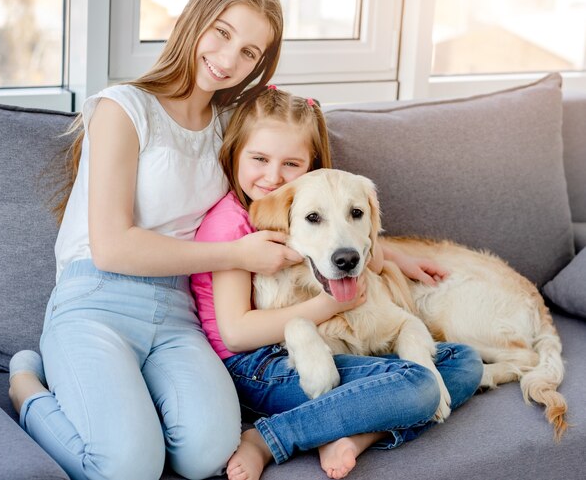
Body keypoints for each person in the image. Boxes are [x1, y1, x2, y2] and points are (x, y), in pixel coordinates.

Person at [7, 0, 303, 480]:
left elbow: (298, 183)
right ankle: (26, 389)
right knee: (125, 468)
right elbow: (113, 248)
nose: (229, 60)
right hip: (95, 300)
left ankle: (131, 408)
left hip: (175, 310)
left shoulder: (230, 130)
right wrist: (237, 254)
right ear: (193, 20)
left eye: (251, 53)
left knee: (209, 453)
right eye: (223, 32)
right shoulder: (124, 108)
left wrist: (388, 253)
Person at [190, 87, 484, 480]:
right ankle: (270, 438)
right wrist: (332, 306)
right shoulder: (232, 226)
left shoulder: (316, 200)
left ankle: (354, 434)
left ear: (310, 164)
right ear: (235, 152)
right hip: (257, 365)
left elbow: (360, 243)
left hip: (315, 351)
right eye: (259, 158)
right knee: (421, 385)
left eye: (290, 163)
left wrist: (398, 258)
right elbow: (237, 334)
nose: (273, 176)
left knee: (465, 361)